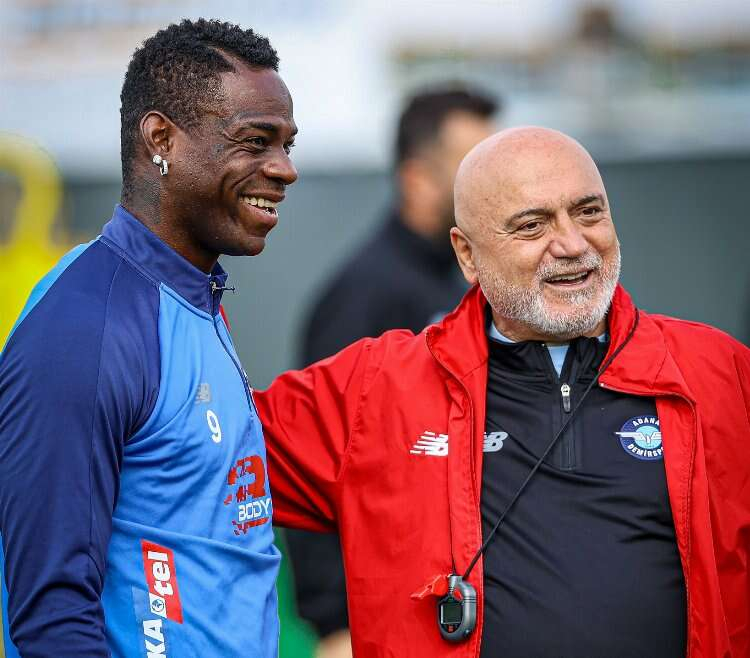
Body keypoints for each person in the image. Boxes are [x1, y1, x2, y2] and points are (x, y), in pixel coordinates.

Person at [258, 127, 750, 657]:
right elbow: (207, 451)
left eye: (588, 212)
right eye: (532, 225)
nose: (572, 244)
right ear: (467, 256)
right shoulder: (378, 389)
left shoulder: (718, 371)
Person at [0, 19, 297, 657]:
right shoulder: (88, 326)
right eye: (256, 142)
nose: (285, 169)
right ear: (161, 138)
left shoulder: (193, 294)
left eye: (287, 145)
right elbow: (51, 615)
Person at [286, 85, 498, 657]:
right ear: (418, 179)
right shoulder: (363, 295)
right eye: (474, 167)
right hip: (373, 624)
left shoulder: (461, 283)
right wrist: (335, 622)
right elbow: (318, 453)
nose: (495, 182)